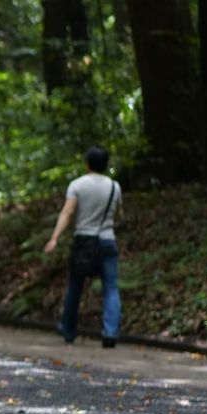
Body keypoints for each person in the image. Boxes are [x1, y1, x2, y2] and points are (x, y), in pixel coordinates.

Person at [44, 146, 122, 348]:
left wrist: (55, 237)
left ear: (87, 163)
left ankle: (68, 329)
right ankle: (110, 332)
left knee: (76, 286)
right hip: (107, 240)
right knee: (111, 287)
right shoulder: (114, 186)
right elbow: (118, 215)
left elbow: (68, 212)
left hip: (83, 241)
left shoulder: (78, 185)